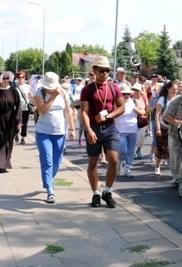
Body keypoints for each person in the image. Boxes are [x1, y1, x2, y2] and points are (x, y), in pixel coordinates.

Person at [80, 56, 125, 208]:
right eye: (102, 71)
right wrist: (88, 130)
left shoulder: (114, 87)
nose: (105, 73)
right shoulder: (88, 89)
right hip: (94, 128)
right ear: (95, 71)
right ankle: (95, 193)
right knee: (93, 162)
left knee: (113, 160)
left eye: (107, 70)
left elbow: (121, 107)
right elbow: (84, 112)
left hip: (110, 127)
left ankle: (107, 191)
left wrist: (108, 115)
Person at [33, 72, 76, 203]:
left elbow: (68, 111)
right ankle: (50, 190)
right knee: (47, 160)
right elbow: (42, 110)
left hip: (59, 132)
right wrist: (53, 97)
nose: (51, 89)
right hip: (43, 132)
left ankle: (48, 180)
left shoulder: (63, 93)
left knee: (57, 162)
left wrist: (72, 129)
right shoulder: (39, 94)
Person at [115, 84, 145, 178]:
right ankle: (119, 164)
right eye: (124, 94)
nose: (126, 96)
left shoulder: (134, 101)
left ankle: (127, 168)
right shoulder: (117, 103)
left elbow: (143, 111)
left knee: (131, 151)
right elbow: (112, 114)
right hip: (121, 130)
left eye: (128, 94)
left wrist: (137, 110)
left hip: (133, 129)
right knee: (123, 150)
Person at [153, 81, 176, 175]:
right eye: (173, 89)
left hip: (173, 127)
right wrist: (158, 128)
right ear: (168, 89)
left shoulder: (177, 99)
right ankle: (157, 167)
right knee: (162, 148)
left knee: (173, 148)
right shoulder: (162, 99)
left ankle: (173, 168)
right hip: (163, 127)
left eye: (176, 89)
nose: (175, 91)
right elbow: (157, 115)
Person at [15, 71, 33, 145]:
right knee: (16, 122)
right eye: (19, 77)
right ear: (17, 78)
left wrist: (35, 104)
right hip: (16, 107)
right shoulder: (14, 87)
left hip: (25, 107)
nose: (21, 79)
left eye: (22, 77)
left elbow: (30, 96)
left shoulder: (27, 87)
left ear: (24, 78)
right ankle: (16, 134)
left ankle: (23, 137)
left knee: (24, 123)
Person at [132, 82, 149, 160]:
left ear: (140, 91)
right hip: (133, 120)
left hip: (141, 121)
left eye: (137, 90)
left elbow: (146, 110)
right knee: (134, 137)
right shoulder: (130, 98)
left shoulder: (143, 98)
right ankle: (133, 152)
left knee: (141, 137)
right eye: (134, 89)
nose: (135, 91)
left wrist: (147, 124)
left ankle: (138, 150)